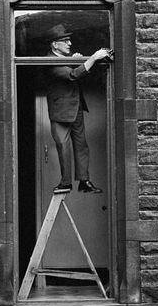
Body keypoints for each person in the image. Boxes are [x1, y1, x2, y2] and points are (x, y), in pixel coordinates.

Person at [44, 24, 113, 194]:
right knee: (63, 147)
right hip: (61, 112)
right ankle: (65, 182)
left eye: (69, 40)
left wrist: (78, 61)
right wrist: (94, 58)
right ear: (54, 45)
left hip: (76, 108)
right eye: (65, 41)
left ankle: (84, 180)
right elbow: (72, 75)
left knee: (81, 145)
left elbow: (73, 71)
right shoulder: (49, 60)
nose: (69, 43)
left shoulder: (62, 57)